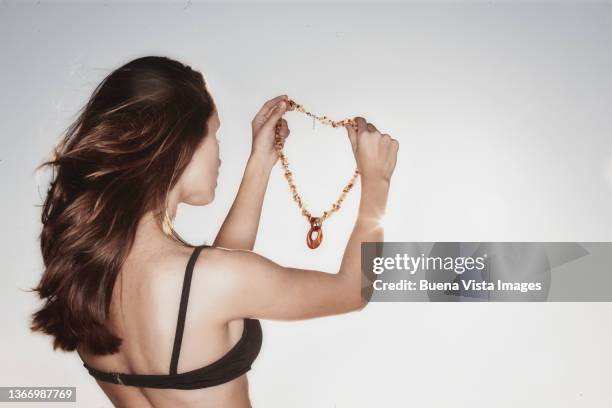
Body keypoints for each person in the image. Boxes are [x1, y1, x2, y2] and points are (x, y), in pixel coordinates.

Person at [29, 56, 399, 408]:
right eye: (214, 134)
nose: (219, 151)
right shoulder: (208, 281)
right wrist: (377, 181)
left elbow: (214, 292)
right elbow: (354, 291)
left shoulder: (87, 280)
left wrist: (260, 163)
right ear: (181, 144)